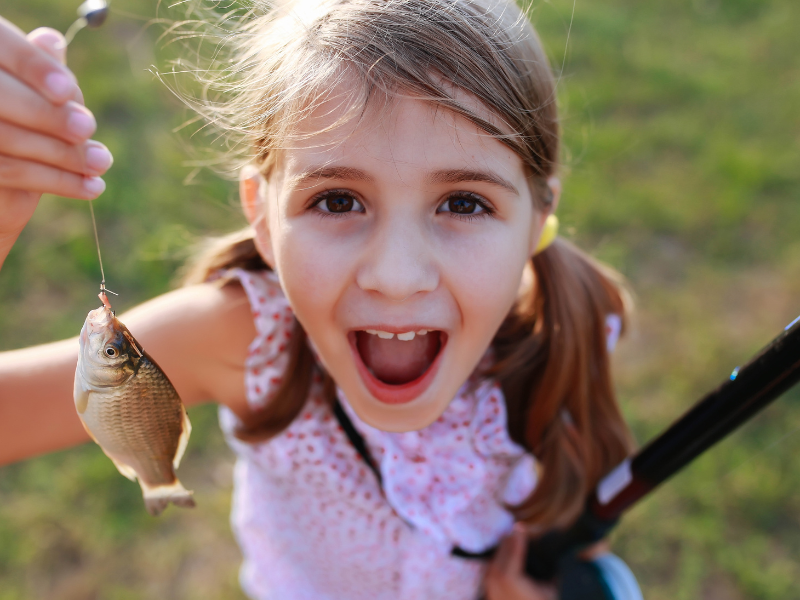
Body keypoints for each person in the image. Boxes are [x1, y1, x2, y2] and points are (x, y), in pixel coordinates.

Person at [0, 0, 646, 598]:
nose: (396, 277)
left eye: (463, 203)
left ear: (538, 217)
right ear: (262, 215)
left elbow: (581, 511)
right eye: (337, 200)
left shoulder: (567, 324)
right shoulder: (244, 338)